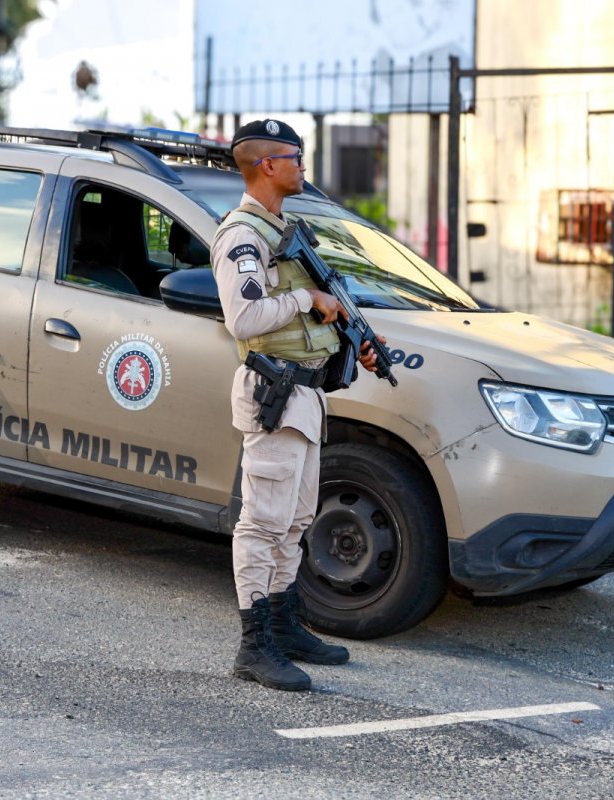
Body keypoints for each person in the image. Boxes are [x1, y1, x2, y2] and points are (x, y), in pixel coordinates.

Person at [211, 118, 383, 691]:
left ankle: (283, 625)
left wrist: (349, 336)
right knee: (262, 522)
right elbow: (246, 318)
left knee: (295, 519)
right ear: (268, 165)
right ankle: (253, 645)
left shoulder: (285, 229)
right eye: (295, 156)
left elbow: (312, 313)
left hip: (305, 394)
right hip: (275, 393)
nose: (302, 166)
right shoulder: (243, 236)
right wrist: (305, 298)